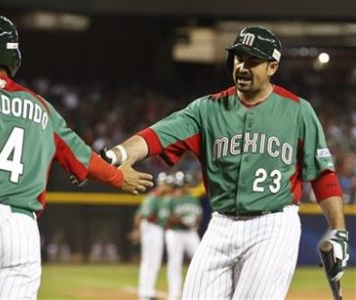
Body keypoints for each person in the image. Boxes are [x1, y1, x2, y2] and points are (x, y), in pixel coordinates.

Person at [0, 14, 153, 300]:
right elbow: (82, 157)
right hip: (20, 232)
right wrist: (117, 176)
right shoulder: (41, 107)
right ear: (13, 57)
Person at [100, 26, 349, 299]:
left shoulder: (298, 111)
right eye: (238, 58)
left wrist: (338, 230)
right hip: (220, 225)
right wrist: (118, 155)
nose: (242, 66)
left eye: (252, 61)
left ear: (272, 67)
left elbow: (323, 174)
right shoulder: (206, 110)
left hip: (273, 224)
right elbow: (156, 136)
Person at [128, 171, 173, 300]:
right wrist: (137, 231)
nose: (169, 187)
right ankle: (146, 292)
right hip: (151, 228)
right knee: (150, 261)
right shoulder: (154, 197)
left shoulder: (164, 197)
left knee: (152, 262)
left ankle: (147, 292)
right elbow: (139, 215)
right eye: (167, 184)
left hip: (156, 228)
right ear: (161, 184)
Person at [163, 171, 202, 300]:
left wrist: (193, 221)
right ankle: (174, 293)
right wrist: (182, 221)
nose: (188, 186)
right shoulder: (171, 199)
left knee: (201, 260)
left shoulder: (193, 198)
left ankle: (199, 290)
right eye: (186, 183)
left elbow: (199, 216)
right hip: (175, 233)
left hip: (190, 233)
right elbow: (166, 219)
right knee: (175, 262)